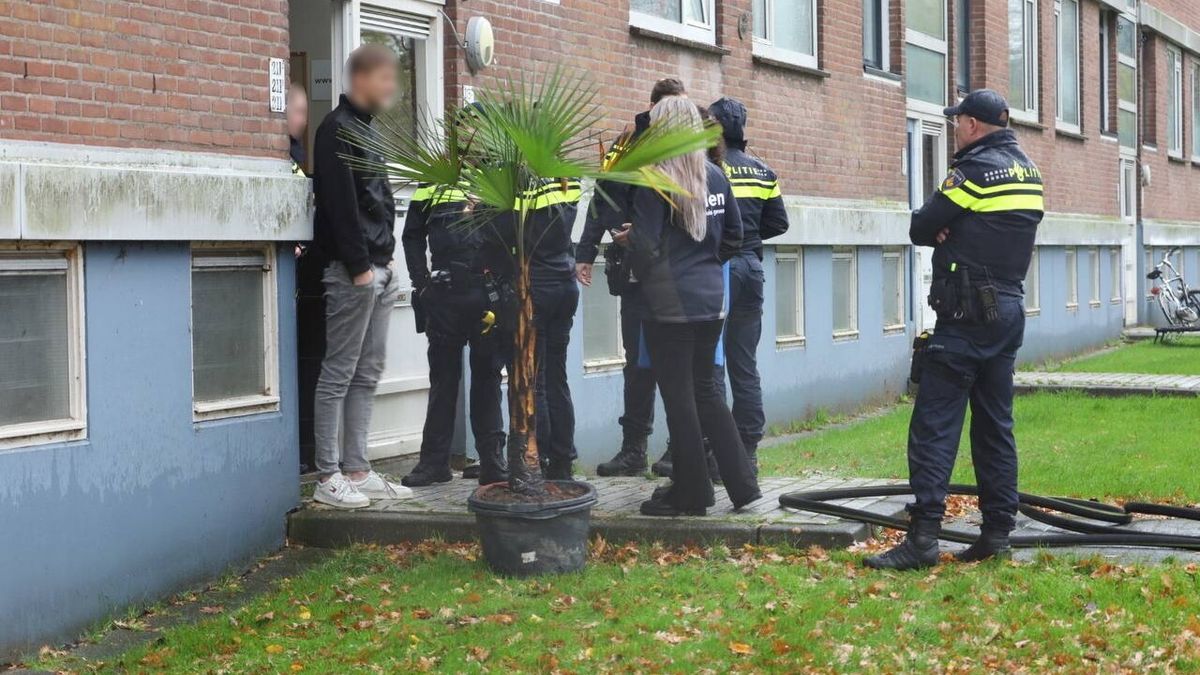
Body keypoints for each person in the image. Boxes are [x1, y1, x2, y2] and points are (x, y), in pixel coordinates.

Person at [865, 89, 1043, 569]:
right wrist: (955, 225)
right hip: (1006, 309)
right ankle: (997, 534)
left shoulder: (973, 170)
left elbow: (922, 226)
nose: (953, 129)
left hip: (964, 316)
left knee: (934, 423)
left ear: (971, 125)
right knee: (995, 426)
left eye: (956, 120)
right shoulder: (1028, 169)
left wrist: (949, 226)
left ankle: (923, 538)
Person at [617, 95, 761, 517]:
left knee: (679, 397)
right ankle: (743, 486)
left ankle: (693, 493)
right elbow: (735, 237)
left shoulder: (655, 179)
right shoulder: (715, 175)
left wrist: (628, 242)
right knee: (708, 392)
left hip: (668, 302)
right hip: (711, 299)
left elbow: (644, 245)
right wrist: (703, 262)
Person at [310, 45, 413, 508]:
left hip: (379, 269)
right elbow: (339, 203)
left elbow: (380, 200)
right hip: (354, 272)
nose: (391, 89)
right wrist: (358, 269)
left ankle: (358, 467)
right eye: (386, 79)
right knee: (339, 372)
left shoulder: (368, 130)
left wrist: (388, 261)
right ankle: (327, 475)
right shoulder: (335, 129)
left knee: (367, 372)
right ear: (362, 78)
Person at [580, 77, 688, 477]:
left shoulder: (690, 147)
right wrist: (586, 251)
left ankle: (681, 447)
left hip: (676, 273)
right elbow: (602, 195)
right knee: (636, 364)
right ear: (656, 109)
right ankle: (633, 448)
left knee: (677, 365)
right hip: (636, 272)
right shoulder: (627, 145)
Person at [399, 113, 510, 488]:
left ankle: (493, 461)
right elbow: (411, 235)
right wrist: (421, 285)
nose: (471, 138)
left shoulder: (500, 177)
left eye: (478, 130)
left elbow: (514, 235)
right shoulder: (435, 178)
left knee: (487, 379)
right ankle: (434, 463)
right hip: (444, 295)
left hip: (486, 294)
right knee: (443, 380)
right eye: (464, 131)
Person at [708, 97, 790, 475]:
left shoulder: (711, 169)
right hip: (752, 269)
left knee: (712, 363)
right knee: (745, 364)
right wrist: (752, 238)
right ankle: (748, 452)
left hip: (719, 269)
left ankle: (717, 452)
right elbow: (780, 224)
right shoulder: (763, 171)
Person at [522, 177, 584, 480]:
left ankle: (542, 456)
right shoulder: (567, 177)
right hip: (565, 281)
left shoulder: (526, 181)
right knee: (558, 376)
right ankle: (564, 458)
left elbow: (515, 233)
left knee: (540, 379)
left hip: (540, 286)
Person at [287, 84, 309, 176]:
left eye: (305, 114)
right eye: (299, 112)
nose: (304, 121)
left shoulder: (294, 153)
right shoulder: (280, 154)